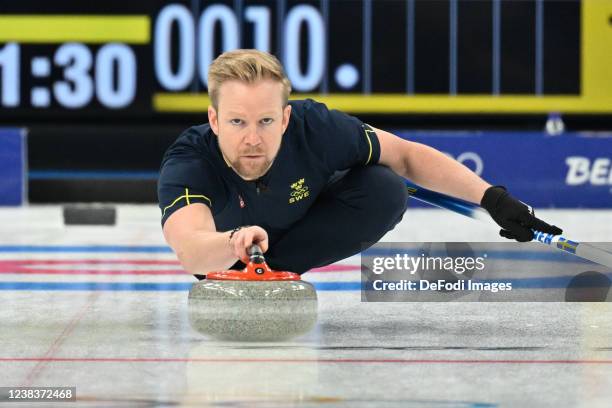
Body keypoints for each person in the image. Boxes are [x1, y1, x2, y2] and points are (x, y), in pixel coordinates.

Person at [158, 49, 562, 278]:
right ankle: (249, 272)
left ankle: (277, 272)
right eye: (236, 122)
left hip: (298, 235)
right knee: (217, 254)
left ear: (285, 118)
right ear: (213, 120)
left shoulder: (316, 127)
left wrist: (492, 199)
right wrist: (235, 243)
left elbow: (405, 155)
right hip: (225, 256)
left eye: (266, 121)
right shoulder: (190, 159)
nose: (252, 138)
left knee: (385, 186)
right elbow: (190, 249)